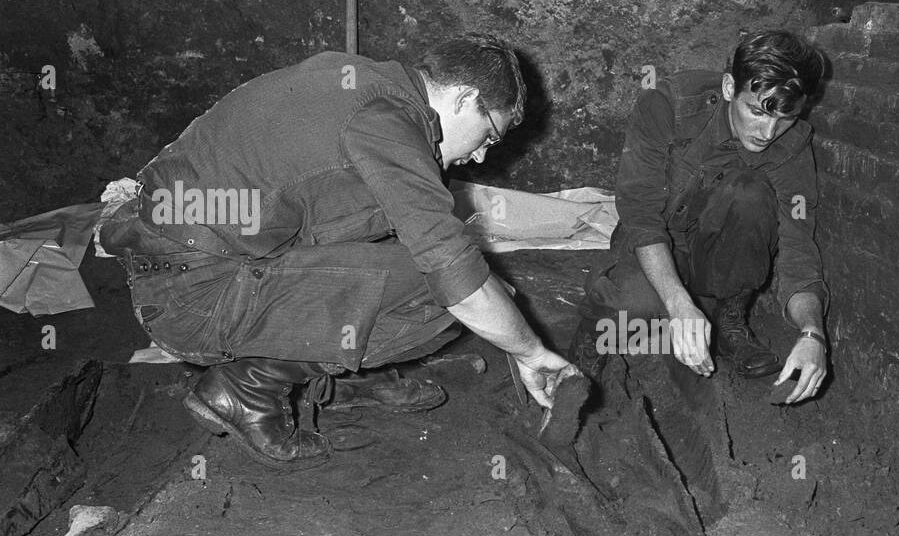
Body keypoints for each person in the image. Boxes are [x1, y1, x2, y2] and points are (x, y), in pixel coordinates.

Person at [99, 34, 575, 469]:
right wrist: (531, 352)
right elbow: (454, 273)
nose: (482, 156)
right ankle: (249, 388)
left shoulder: (362, 81)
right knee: (449, 288)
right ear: (466, 98)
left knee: (404, 238)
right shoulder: (386, 123)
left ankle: (342, 373)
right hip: (196, 296)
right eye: (490, 134)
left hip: (181, 263)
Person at [569, 29, 830, 403]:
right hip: (657, 240)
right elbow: (640, 212)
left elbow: (796, 244)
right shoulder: (667, 104)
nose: (768, 132)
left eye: (785, 118)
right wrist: (678, 304)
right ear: (728, 88)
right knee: (632, 306)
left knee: (749, 193)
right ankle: (587, 352)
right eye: (755, 111)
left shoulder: (790, 144)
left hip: (718, 250)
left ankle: (729, 318)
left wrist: (811, 333)